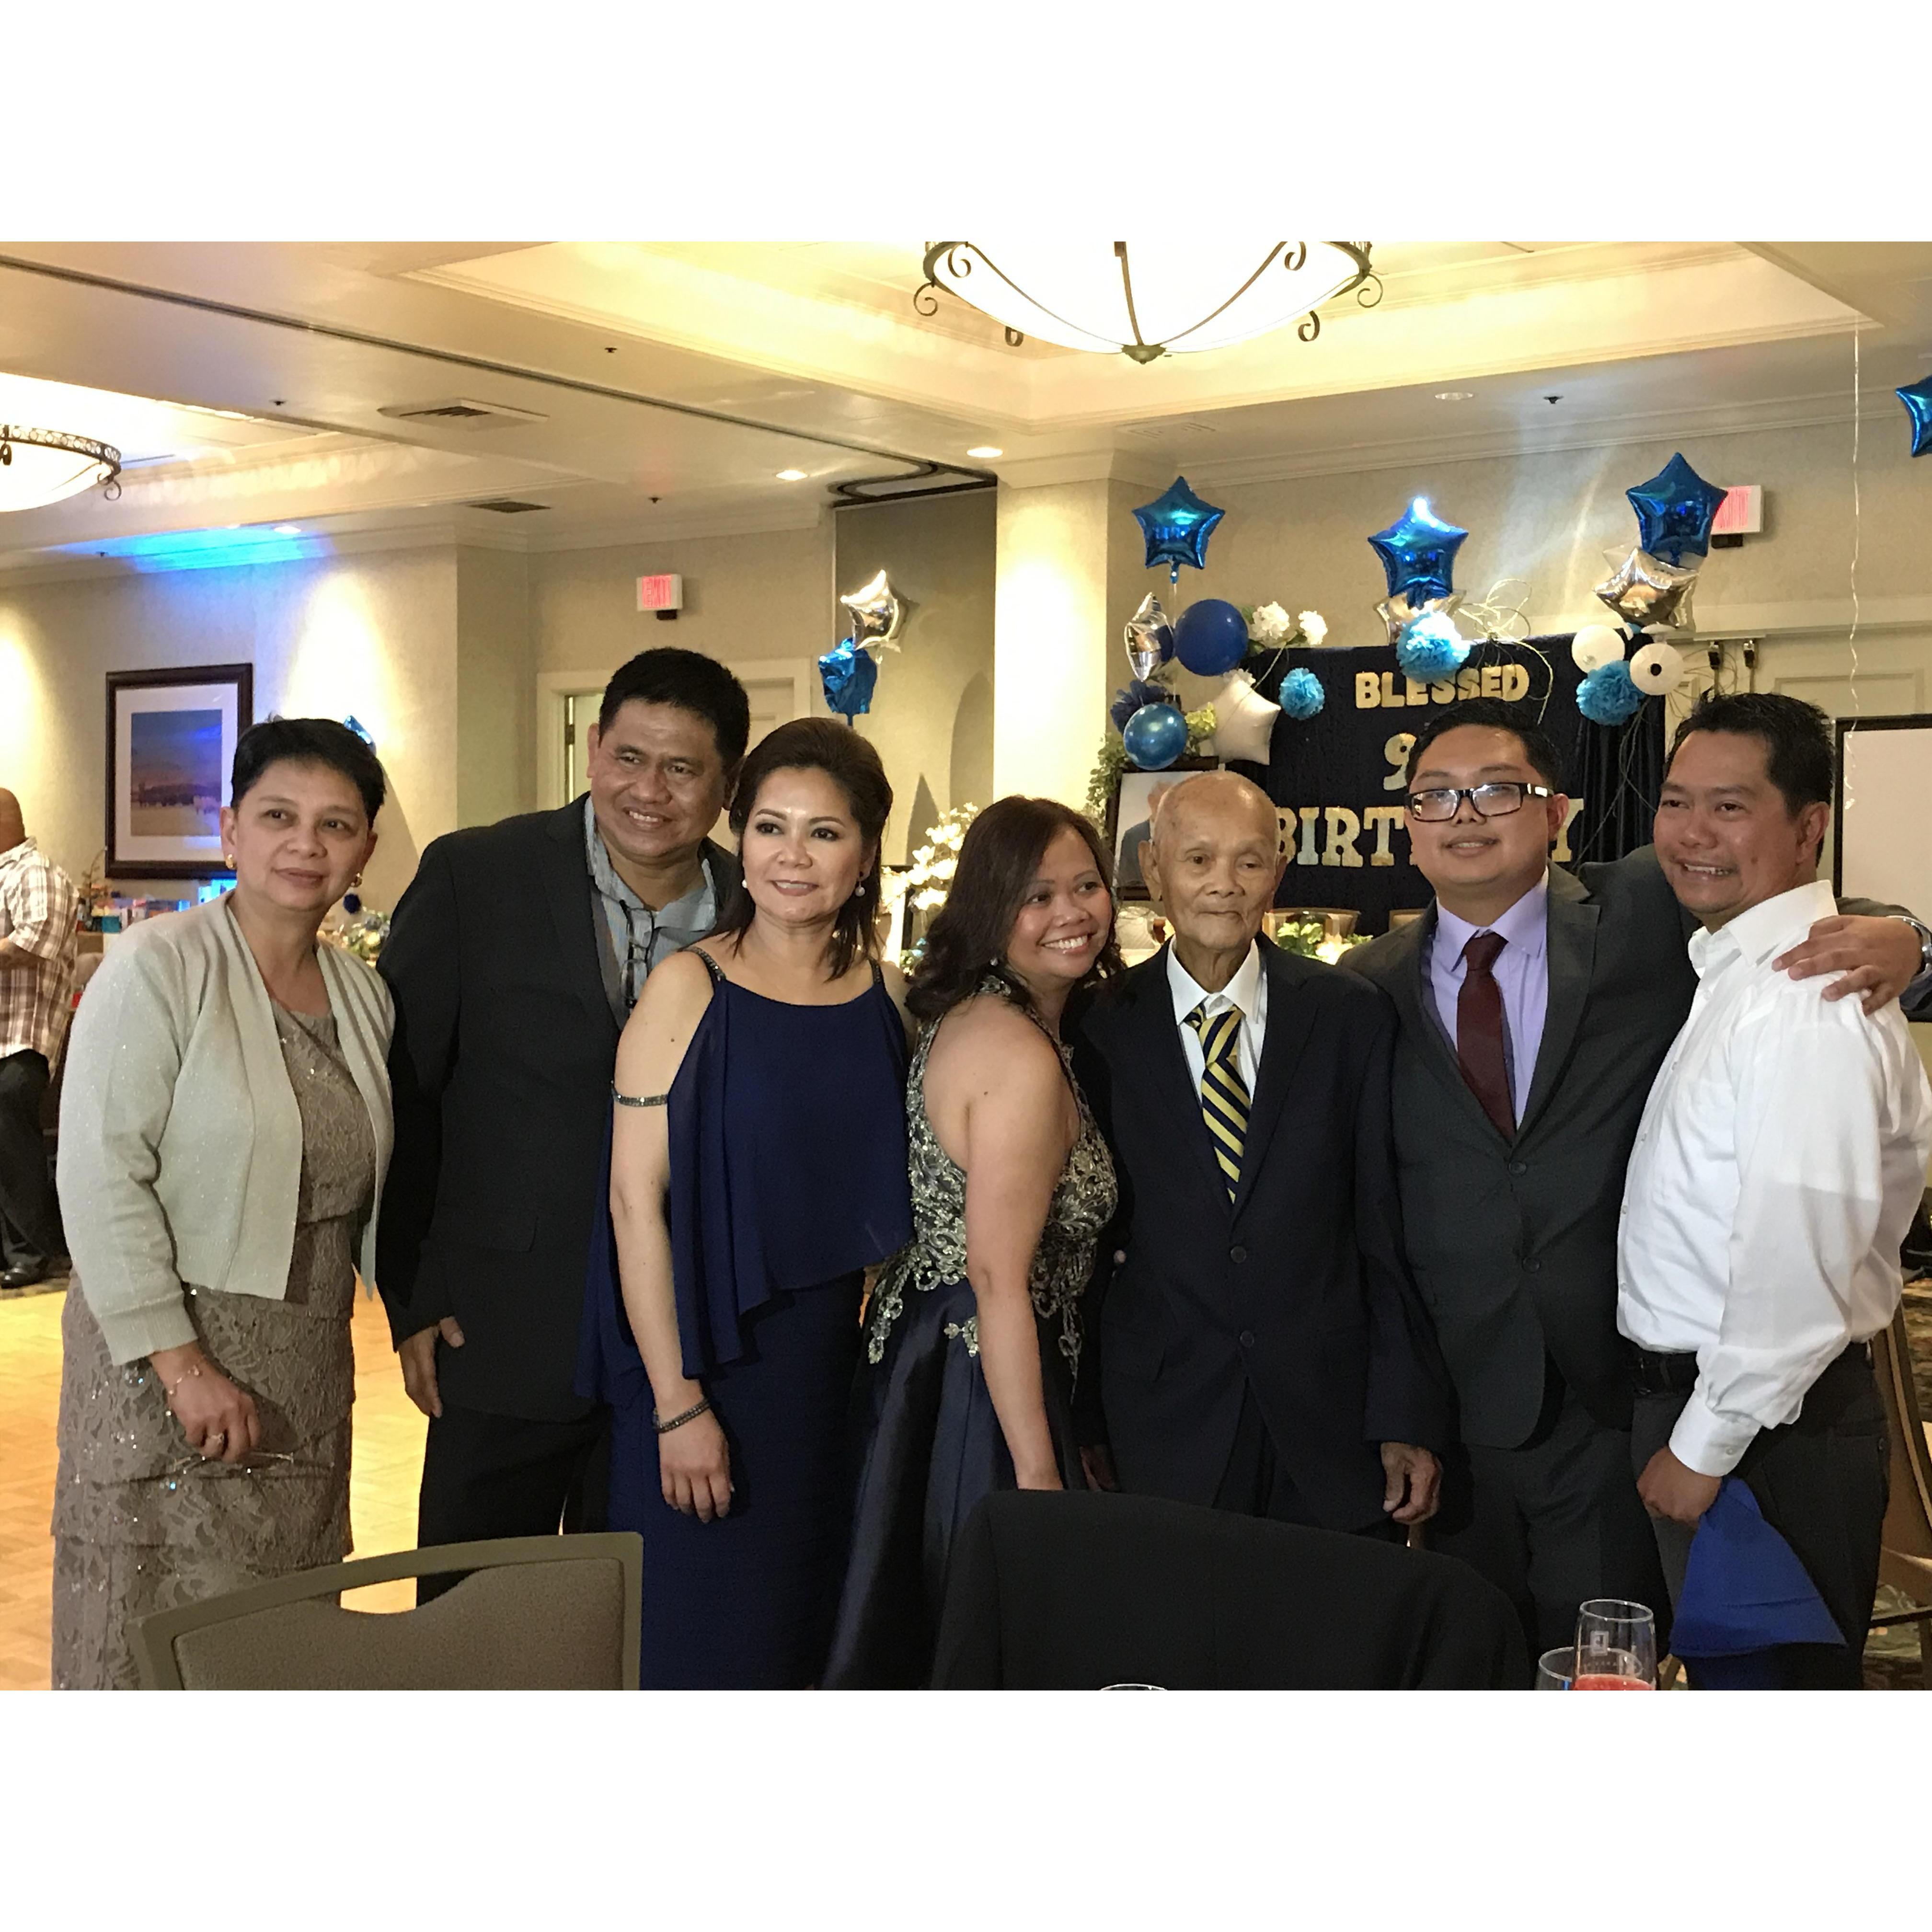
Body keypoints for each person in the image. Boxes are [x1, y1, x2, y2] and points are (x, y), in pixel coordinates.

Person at [1345, 696, 1930, 1659]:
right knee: (1471, 1668)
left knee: (1628, 1672)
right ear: (1408, 824)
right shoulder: (1362, 989)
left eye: (1498, 790)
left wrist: (1910, 937)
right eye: (1435, 796)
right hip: (1458, 1414)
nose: (1465, 816)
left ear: (1557, 813)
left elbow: (1810, 913)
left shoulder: (1657, 912)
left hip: (1622, 1409)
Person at [377, 647, 748, 1591]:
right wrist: (411, 1294)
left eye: (681, 768)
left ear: (726, 782)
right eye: (629, 758)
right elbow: (400, 1095)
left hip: (692, 1340)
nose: (648, 792)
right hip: (503, 1324)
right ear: (591, 749)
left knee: (637, 1613)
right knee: (469, 1618)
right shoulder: (476, 876)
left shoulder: (760, 908)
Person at [50, 719, 392, 1689]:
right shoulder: (157, 967)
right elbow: (100, 1174)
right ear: (230, 828)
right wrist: (182, 1362)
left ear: (365, 847)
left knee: (277, 1648)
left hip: (305, 1376)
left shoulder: (365, 996)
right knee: (150, 1647)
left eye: (337, 824)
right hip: (166, 1374)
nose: (307, 845)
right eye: (279, 816)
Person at [578, 719, 912, 1687]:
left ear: (865, 852)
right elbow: (633, 1207)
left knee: (811, 1647)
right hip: (702, 1369)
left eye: (823, 832)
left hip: (830, 1381)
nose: (791, 857)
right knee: (701, 1652)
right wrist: (678, 1405)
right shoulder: (688, 990)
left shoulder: (889, 1001)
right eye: (770, 828)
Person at [1619, 693, 1932, 1688]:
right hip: (1742, 1418)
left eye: (1731, 807)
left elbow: (1801, 1255)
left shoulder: (1807, 997)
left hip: (1763, 1434)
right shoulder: (1741, 968)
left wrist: (1704, 1446)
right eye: (1675, 803)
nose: (1693, 835)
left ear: (1809, 828)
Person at [1073, 770, 1449, 1543]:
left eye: (1249, 862)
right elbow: (1084, 1246)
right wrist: (1083, 1418)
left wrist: (1402, 1411)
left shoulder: (1347, 1015)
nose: (1224, 885)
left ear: (1277, 873)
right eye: (1199, 859)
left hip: (1329, 1422)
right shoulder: (1097, 1027)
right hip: (1160, 1421)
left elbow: (1380, 1225)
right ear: (1154, 872)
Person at [824, 797, 1121, 1688]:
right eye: (1037, 896)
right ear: (991, 911)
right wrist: (1038, 1478)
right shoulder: (1016, 1053)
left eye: (1086, 886)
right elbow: (997, 1277)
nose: (1071, 913)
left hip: (939, 1355)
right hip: (976, 1377)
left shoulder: (991, 1013)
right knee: (986, 1636)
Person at [0, 789, 79, 1289]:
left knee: (10, 1118)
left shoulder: (36, 873)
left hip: (22, 1037)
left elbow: (34, 941)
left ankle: (33, 1252)